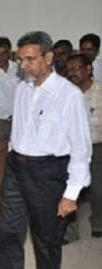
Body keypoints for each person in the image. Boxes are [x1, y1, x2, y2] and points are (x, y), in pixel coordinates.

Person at [0, 31, 92, 269]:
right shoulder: (22, 89)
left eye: (30, 59)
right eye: (21, 59)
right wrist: (13, 153)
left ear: (48, 58)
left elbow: (81, 148)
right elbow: (19, 129)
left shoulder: (68, 95)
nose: (23, 66)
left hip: (47, 173)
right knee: (9, 233)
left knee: (46, 242)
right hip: (15, 168)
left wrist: (71, 193)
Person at [62, 54, 102, 243]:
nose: (72, 73)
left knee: (98, 190)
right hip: (70, 149)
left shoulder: (100, 92)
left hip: (96, 146)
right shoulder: (64, 94)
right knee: (69, 191)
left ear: (88, 69)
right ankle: (70, 231)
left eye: (76, 69)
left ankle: (98, 223)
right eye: (69, 70)